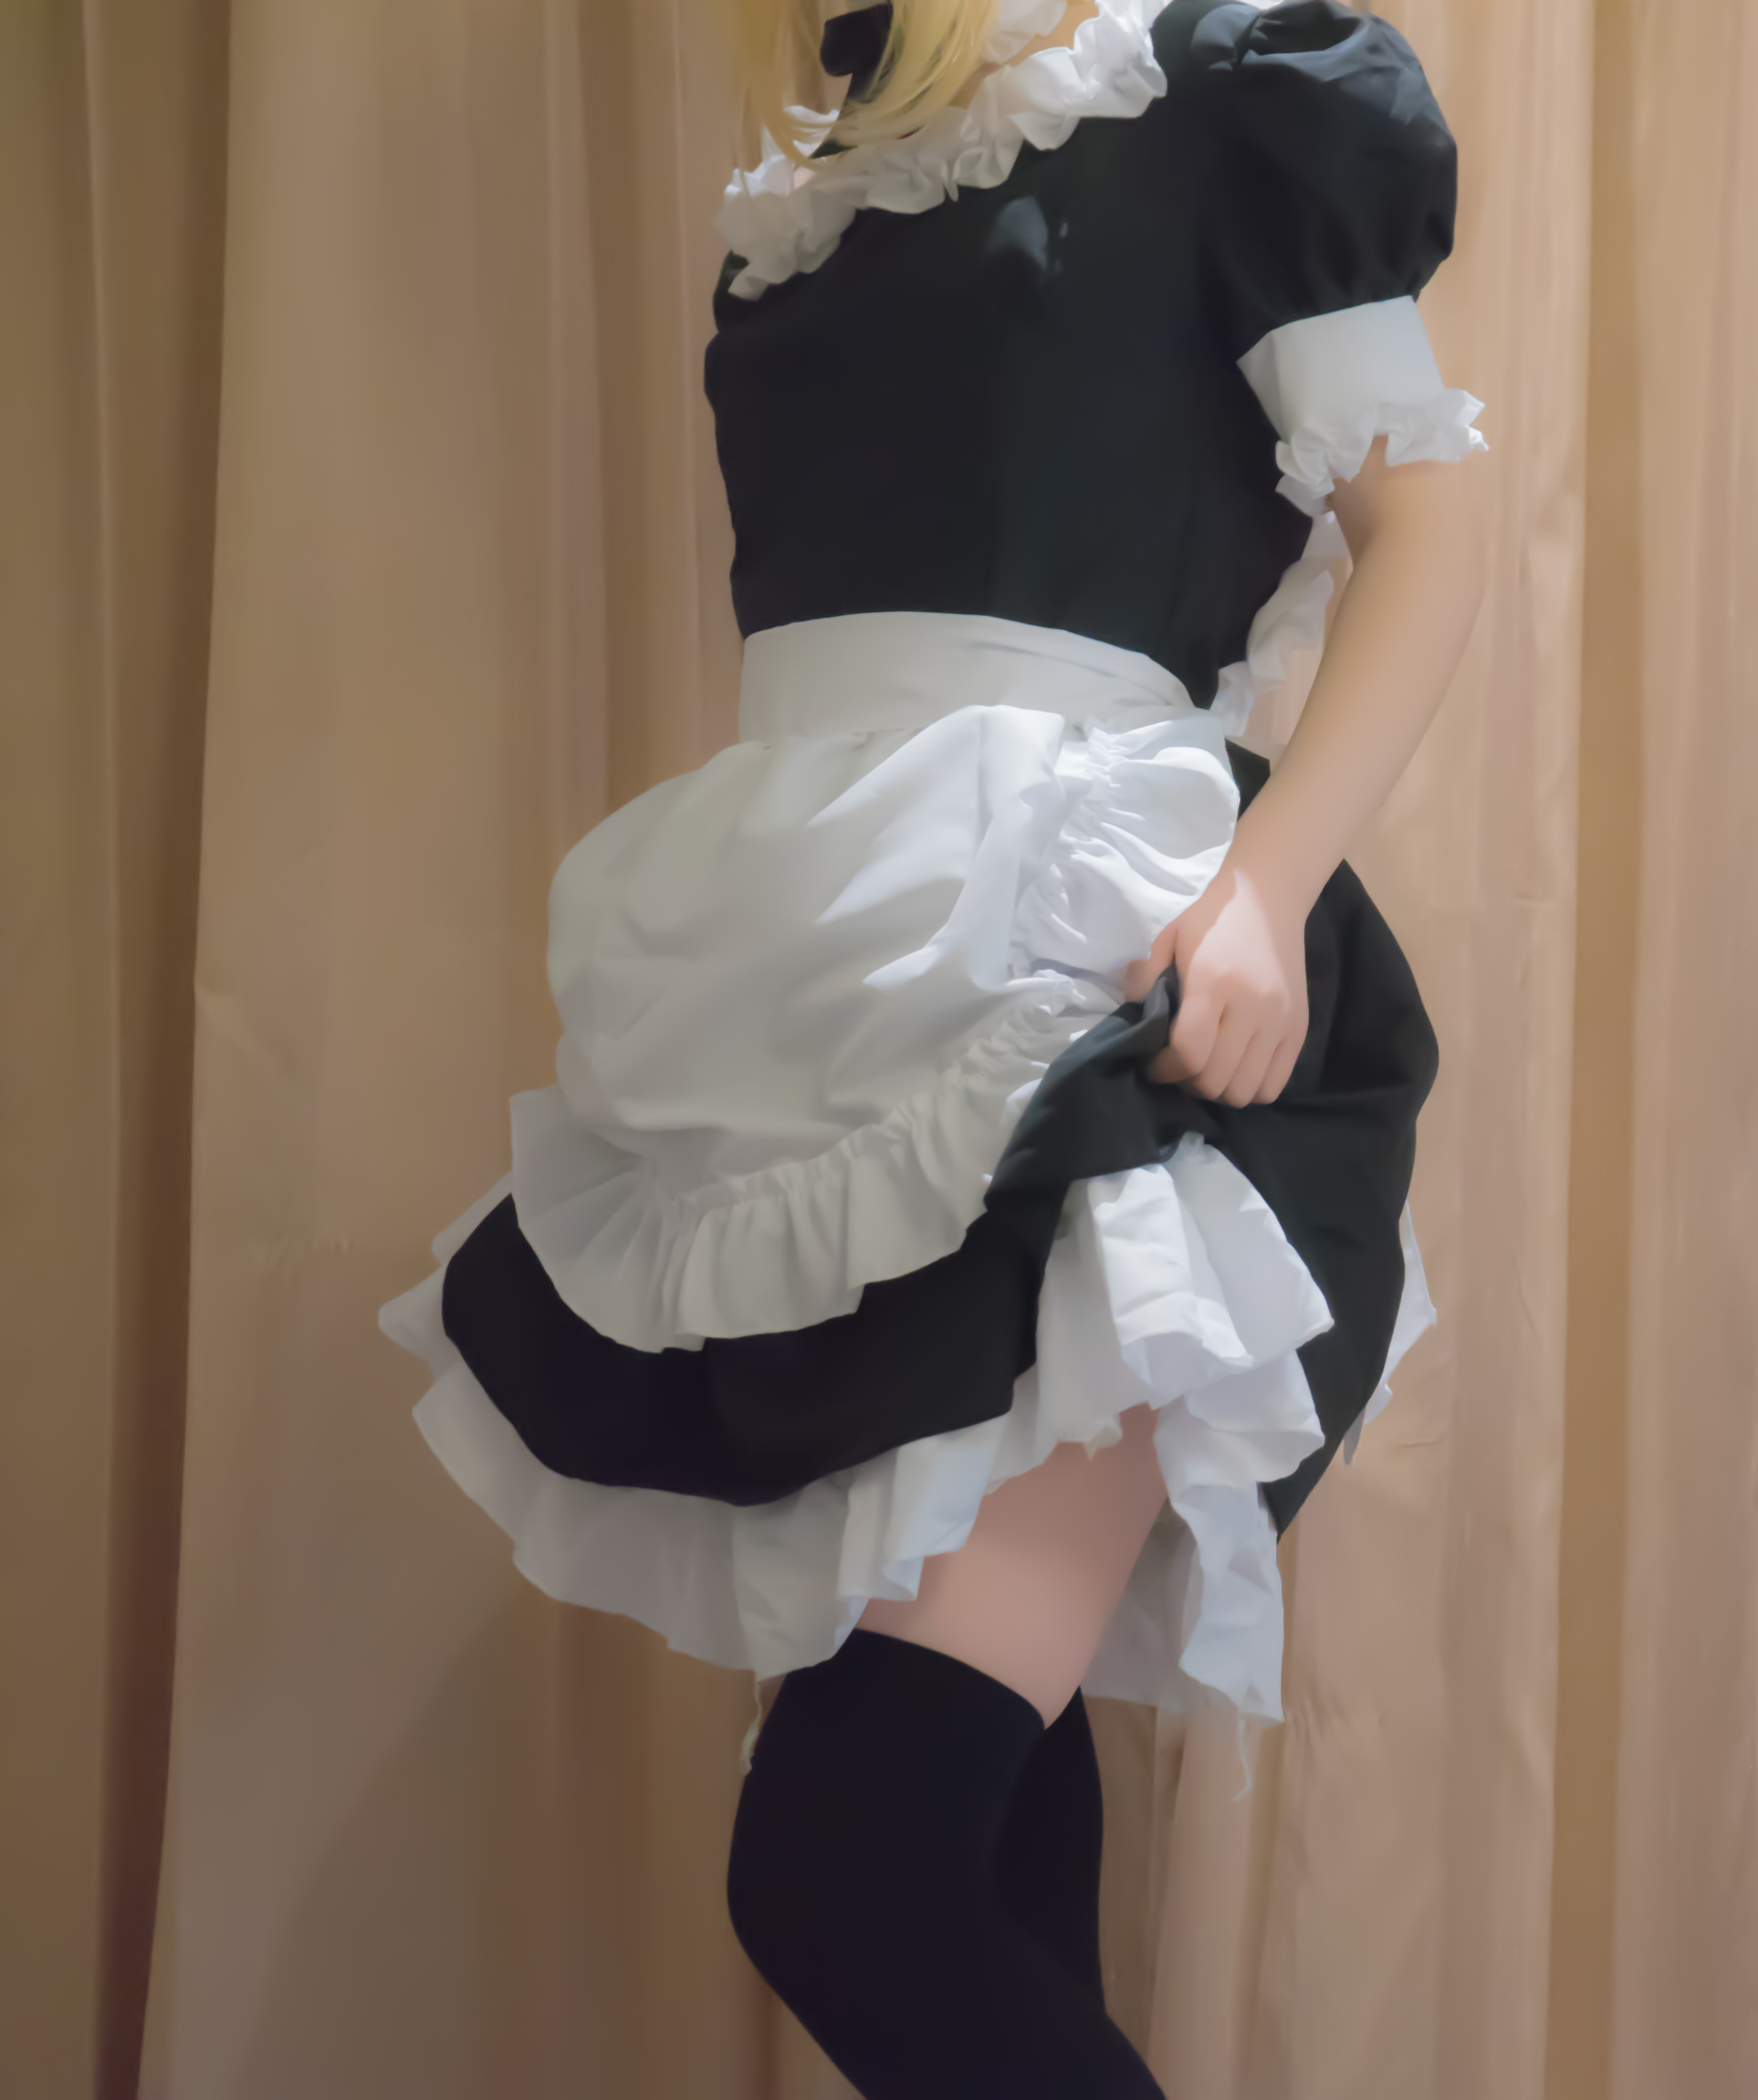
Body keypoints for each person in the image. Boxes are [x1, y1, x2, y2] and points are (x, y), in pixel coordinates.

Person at [373, 0, 1488, 2090]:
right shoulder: (817, 180)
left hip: (1085, 983)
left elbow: (1422, 528)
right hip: (818, 986)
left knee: (854, 1872)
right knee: (988, 1861)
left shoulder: (1225, 81)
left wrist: (1266, 891)